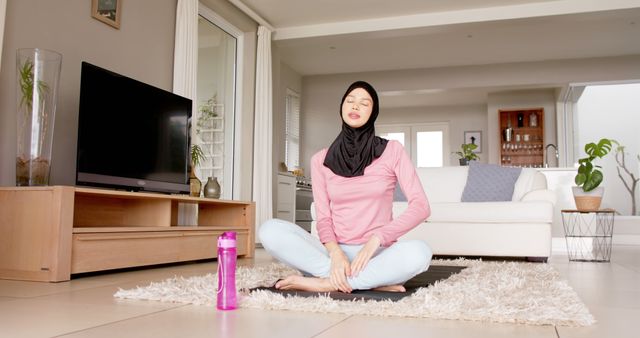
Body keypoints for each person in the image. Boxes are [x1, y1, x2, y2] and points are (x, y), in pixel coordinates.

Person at [259, 81, 432, 293]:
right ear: (342, 108)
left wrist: (376, 239)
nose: (355, 106)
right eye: (350, 101)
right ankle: (364, 280)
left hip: (376, 253)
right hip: (332, 255)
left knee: (420, 253)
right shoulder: (320, 159)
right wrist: (335, 253)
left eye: (364, 103)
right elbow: (323, 218)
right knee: (269, 230)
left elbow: (421, 206)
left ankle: (326, 283)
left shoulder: (393, 151)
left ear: (374, 112)